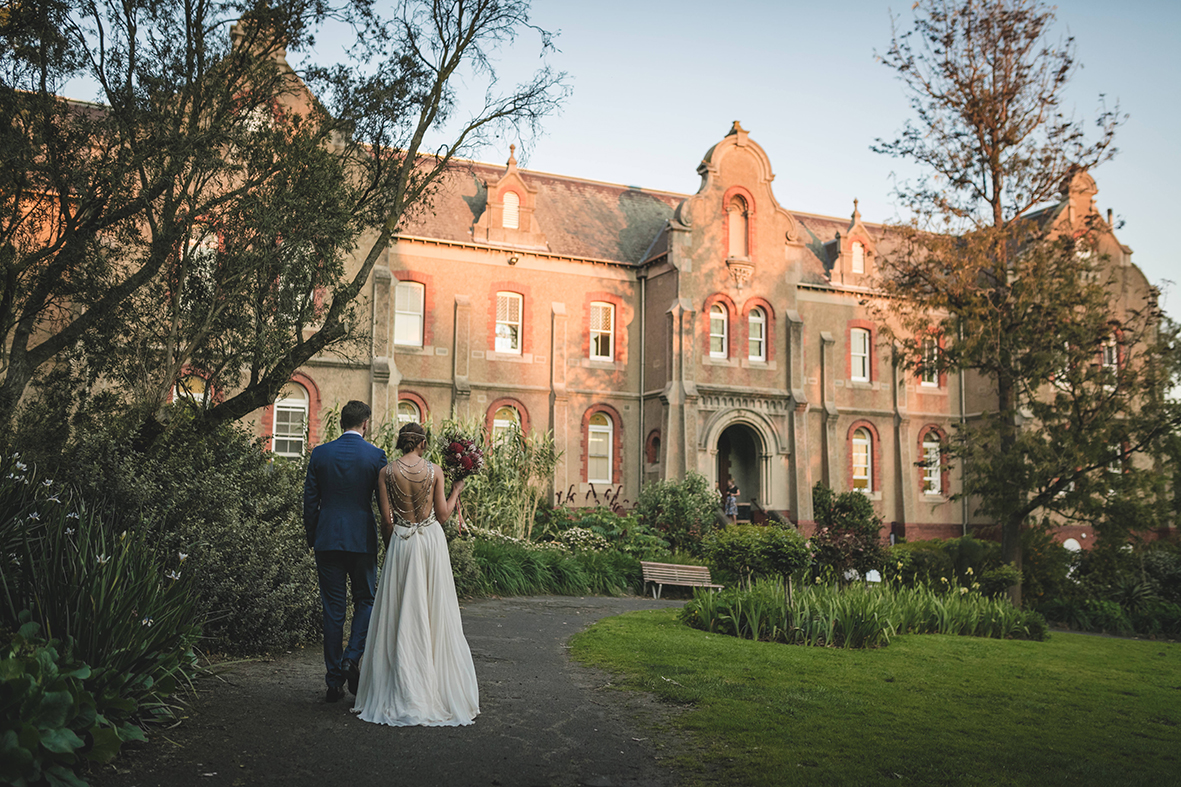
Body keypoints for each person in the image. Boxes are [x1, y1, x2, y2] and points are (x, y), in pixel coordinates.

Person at [352, 421, 480, 727]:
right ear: (422, 443)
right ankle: (432, 685)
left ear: (400, 443)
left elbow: (386, 519)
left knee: (399, 614)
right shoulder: (435, 471)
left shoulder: (385, 473)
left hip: (401, 541)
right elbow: (444, 515)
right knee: (434, 612)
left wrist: (392, 546)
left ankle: (399, 683)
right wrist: (457, 488)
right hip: (430, 544)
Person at [303, 400, 388, 703]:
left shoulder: (320, 454)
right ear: (365, 423)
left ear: (341, 422)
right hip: (362, 539)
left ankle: (333, 681)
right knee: (365, 600)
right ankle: (352, 657)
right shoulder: (376, 456)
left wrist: (313, 535)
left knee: (333, 609)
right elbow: (383, 504)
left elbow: (310, 500)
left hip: (327, 539)